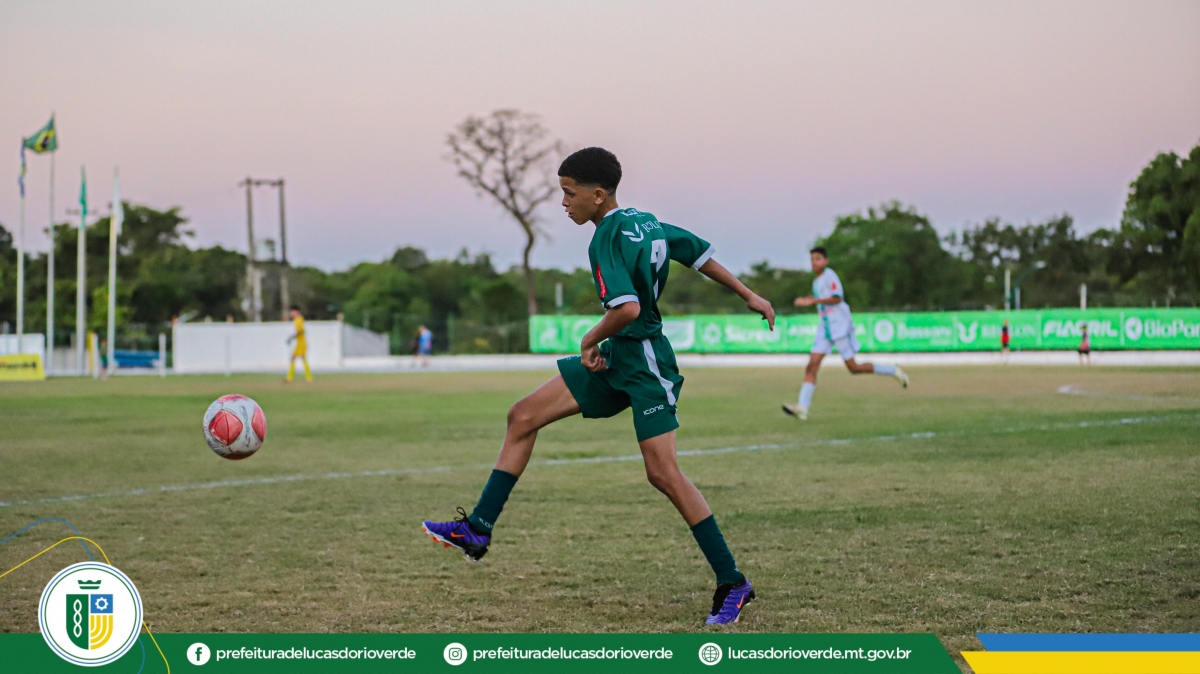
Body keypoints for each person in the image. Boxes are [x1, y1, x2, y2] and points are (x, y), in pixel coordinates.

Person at [421, 147, 775, 625]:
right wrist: (749, 294)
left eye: (569, 193)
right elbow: (698, 254)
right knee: (522, 416)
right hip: (619, 356)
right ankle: (478, 528)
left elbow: (627, 309)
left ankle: (733, 582)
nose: (564, 202)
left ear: (598, 194)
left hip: (644, 362)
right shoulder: (645, 222)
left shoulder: (605, 236)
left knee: (664, 474)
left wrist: (588, 339)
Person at [782, 247, 908, 420]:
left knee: (854, 368)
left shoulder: (830, 275)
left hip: (840, 326)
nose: (814, 262)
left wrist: (813, 301)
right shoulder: (816, 281)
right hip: (825, 328)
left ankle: (892, 370)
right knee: (812, 365)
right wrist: (808, 299)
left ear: (826, 261)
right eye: (812, 259)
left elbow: (837, 297)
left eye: (818, 258)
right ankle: (802, 408)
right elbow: (818, 297)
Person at [285, 306, 312, 383]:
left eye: (292, 312)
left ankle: (308, 378)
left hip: (301, 343)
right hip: (300, 343)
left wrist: (291, 337)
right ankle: (291, 378)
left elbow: (300, 331)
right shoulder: (298, 320)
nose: (291, 314)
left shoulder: (298, 320)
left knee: (300, 358)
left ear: (296, 312)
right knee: (296, 358)